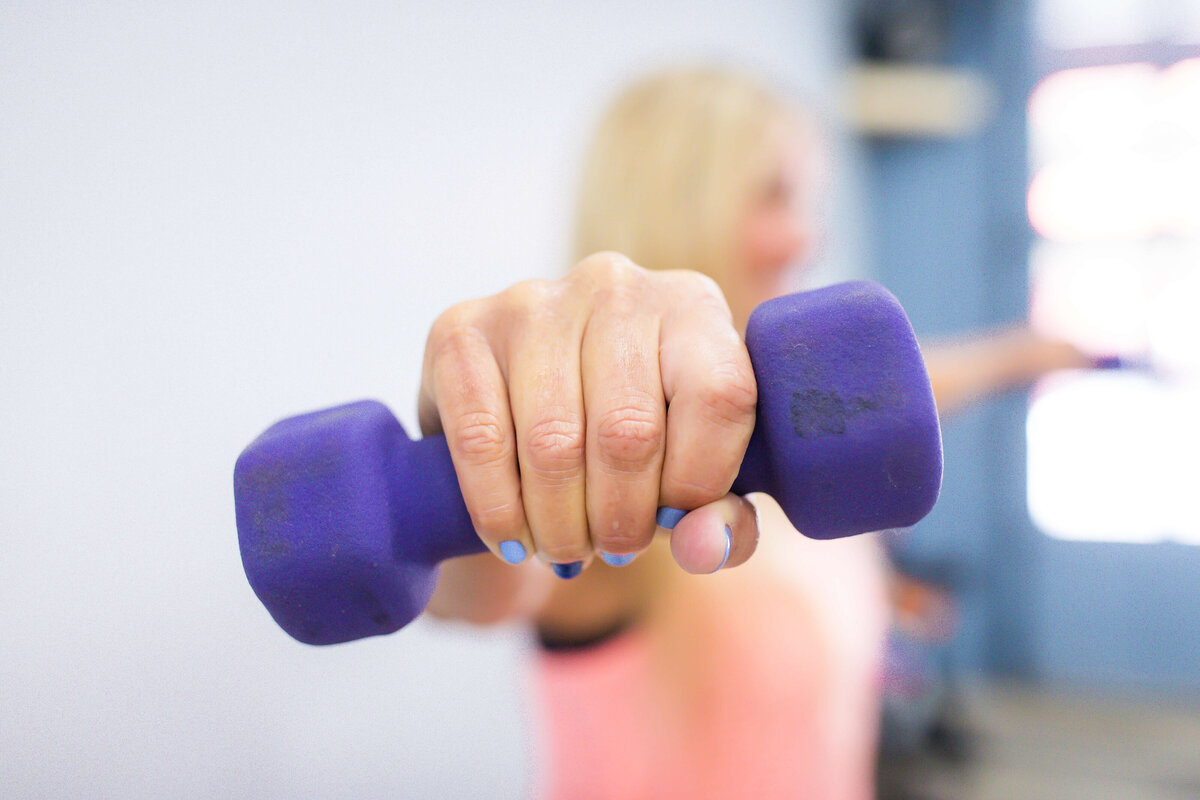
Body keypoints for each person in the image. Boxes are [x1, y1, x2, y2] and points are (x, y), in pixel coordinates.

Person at [419, 67, 1094, 799]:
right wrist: (467, 455)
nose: (810, 237)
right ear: (678, 200)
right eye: (777, 195)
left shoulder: (784, 424)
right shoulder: (601, 460)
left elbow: (916, 381)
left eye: (811, 201)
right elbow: (475, 590)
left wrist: (1032, 353)